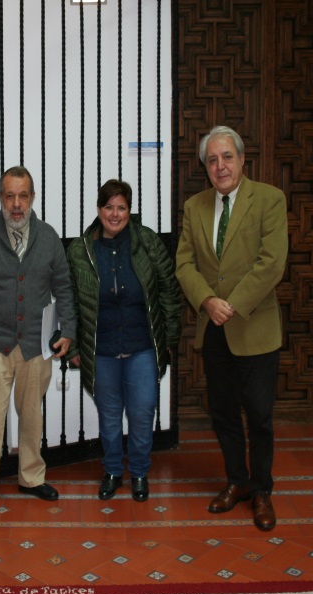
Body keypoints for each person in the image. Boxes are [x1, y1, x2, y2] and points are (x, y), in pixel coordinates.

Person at [175, 125, 288, 531]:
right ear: (205, 166)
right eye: (212, 160)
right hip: (215, 328)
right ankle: (236, 482)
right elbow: (184, 264)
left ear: (242, 159)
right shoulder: (195, 207)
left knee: (258, 415)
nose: (220, 166)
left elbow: (271, 262)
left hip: (254, 326)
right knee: (222, 413)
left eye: (227, 157)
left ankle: (261, 491)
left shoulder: (270, 200)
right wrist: (207, 301)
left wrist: (233, 305)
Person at [0, 165, 77, 526]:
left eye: (22, 196)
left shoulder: (49, 237)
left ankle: (32, 477)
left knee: (31, 418)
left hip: (34, 347)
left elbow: (64, 288)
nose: (16, 204)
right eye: (9, 196)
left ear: (32, 198)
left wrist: (68, 330)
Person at [66, 179, 181, 502]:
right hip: (100, 349)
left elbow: (169, 291)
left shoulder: (147, 241)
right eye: (108, 207)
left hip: (142, 345)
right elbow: (70, 301)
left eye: (121, 208)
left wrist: (170, 337)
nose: (115, 215)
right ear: (98, 209)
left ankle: (140, 472)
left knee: (143, 412)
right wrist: (74, 346)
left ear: (130, 210)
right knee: (110, 415)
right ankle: (114, 470)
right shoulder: (81, 249)